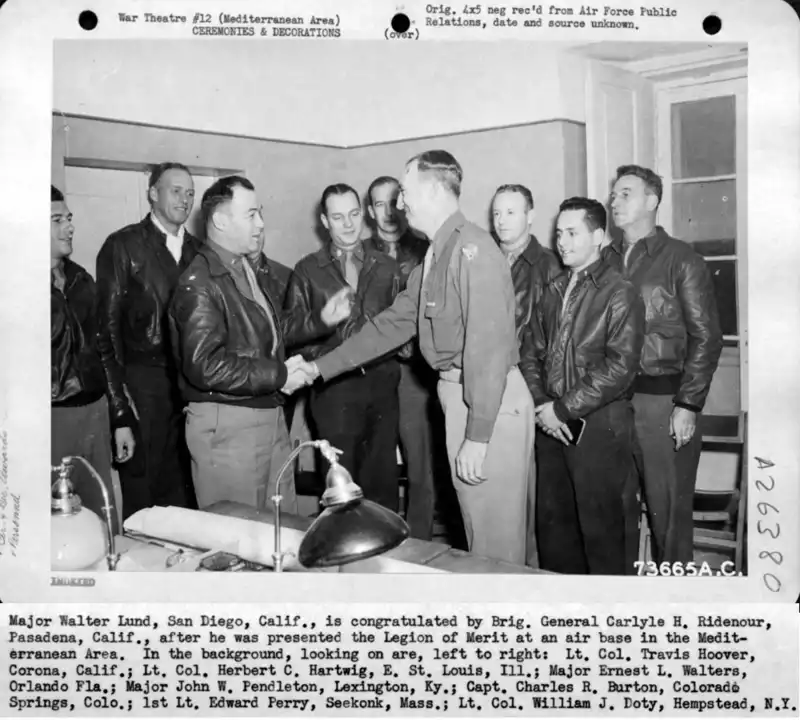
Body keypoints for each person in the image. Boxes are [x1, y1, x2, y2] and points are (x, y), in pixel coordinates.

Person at [289, 151, 533, 566]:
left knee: (495, 549)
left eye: (406, 192)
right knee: (484, 534)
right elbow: (390, 325)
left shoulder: (473, 250)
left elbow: (488, 351)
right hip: (465, 398)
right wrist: (317, 368)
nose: (400, 204)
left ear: (434, 191)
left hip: (485, 403)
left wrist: (478, 435)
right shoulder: (438, 253)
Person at [169, 176, 352, 512]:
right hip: (229, 424)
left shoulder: (241, 268)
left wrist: (320, 320)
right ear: (221, 221)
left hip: (264, 413)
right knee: (238, 531)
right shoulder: (199, 282)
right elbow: (205, 365)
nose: (261, 223)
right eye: (251, 214)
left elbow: (266, 330)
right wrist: (280, 375)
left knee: (280, 524)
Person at [605, 164, 723, 565]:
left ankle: (676, 595)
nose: (614, 201)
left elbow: (707, 337)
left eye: (625, 193)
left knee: (668, 517)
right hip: (610, 404)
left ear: (652, 201)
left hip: (663, 404)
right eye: (614, 194)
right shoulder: (604, 260)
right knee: (614, 510)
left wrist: (688, 404)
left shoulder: (681, 260)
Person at [520, 197, 644, 575]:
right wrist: (543, 404)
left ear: (599, 237)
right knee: (555, 535)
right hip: (551, 424)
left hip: (598, 426)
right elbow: (530, 353)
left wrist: (562, 409)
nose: (562, 242)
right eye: (559, 233)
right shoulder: (553, 289)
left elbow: (620, 367)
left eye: (572, 233)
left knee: (602, 536)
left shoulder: (620, 291)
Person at [284, 184, 403, 511]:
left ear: (363, 214)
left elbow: (404, 326)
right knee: (340, 488)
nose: (348, 224)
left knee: (382, 486)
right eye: (338, 217)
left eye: (353, 214)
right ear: (324, 221)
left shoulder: (387, 267)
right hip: (334, 391)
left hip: (381, 385)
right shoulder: (307, 270)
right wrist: (323, 335)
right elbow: (289, 332)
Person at [95, 162, 202, 520]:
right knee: (145, 498)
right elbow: (105, 334)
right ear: (153, 193)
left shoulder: (200, 252)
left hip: (190, 388)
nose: (185, 199)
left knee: (187, 496)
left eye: (190, 193)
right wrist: (120, 410)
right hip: (142, 385)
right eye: (176, 191)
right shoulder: (123, 246)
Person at [50, 185, 136, 534]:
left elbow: (105, 352)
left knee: (101, 521)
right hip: (50, 420)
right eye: (57, 220)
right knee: (52, 526)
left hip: (94, 414)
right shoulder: (13, 284)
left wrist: (120, 417)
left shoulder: (81, 280)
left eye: (68, 218)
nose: (69, 227)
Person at [365, 175, 441, 541]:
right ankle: (375, 537)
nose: (388, 212)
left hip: (415, 374)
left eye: (393, 202)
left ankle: (419, 541)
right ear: (370, 211)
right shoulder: (361, 254)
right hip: (375, 371)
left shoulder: (426, 249)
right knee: (374, 461)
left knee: (420, 464)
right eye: (379, 204)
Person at [491, 183, 562, 567]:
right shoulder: (484, 258)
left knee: (533, 491)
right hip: (490, 383)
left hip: (530, 386)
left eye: (511, 212)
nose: (502, 221)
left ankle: (530, 571)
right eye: (497, 213)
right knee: (498, 490)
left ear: (530, 216)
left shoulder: (549, 265)